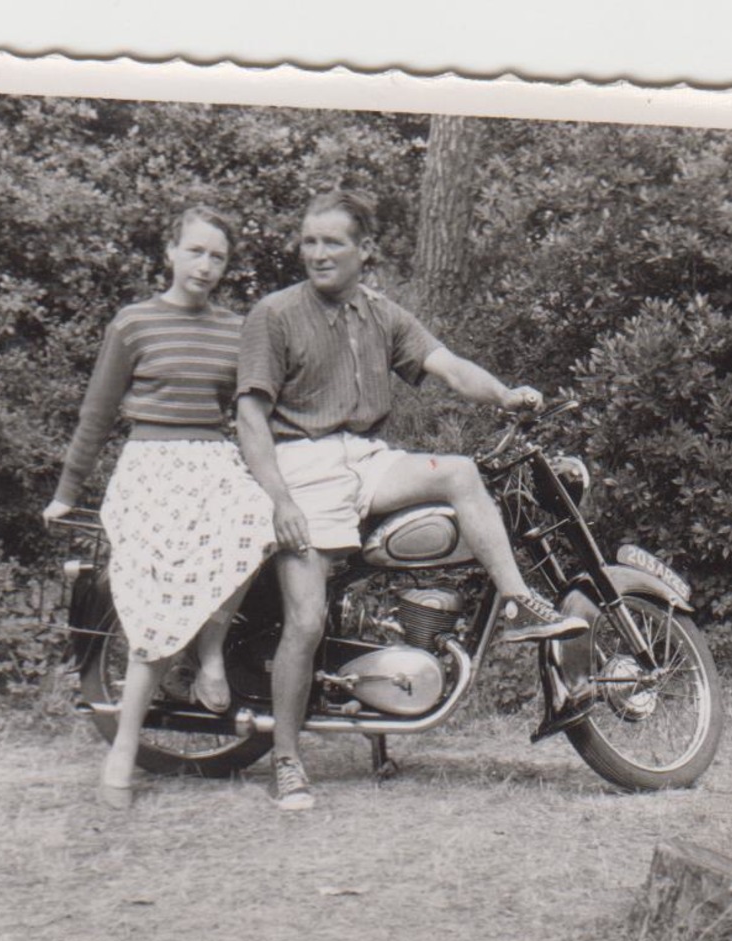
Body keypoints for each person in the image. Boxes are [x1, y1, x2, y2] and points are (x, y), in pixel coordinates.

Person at [236, 189, 587, 813]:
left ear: (363, 250)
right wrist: (280, 498)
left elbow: (446, 365)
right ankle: (287, 759)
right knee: (308, 620)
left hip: (367, 458)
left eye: (333, 242)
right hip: (302, 465)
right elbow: (250, 416)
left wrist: (505, 395)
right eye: (310, 241)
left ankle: (517, 599)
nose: (318, 254)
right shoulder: (275, 313)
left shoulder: (380, 314)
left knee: (458, 473)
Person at [44, 205, 274, 810]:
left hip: (213, 462)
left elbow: (256, 414)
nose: (205, 265)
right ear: (169, 253)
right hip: (149, 466)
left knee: (259, 522)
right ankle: (123, 747)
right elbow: (97, 414)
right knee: (154, 595)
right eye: (195, 251)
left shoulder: (238, 328)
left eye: (217, 256)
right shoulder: (134, 324)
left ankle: (213, 654)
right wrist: (67, 491)